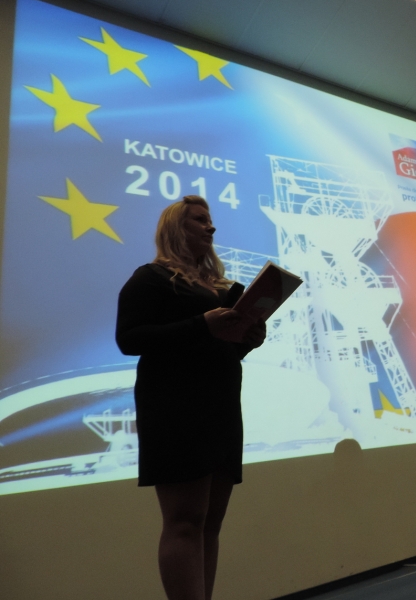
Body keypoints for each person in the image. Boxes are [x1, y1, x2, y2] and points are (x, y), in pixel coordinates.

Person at [116, 196, 266, 600]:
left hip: (220, 405)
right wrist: (202, 324)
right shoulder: (152, 278)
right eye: (199, 220)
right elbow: (129, 339)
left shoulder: (223, 288)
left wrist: (248, 339)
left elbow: (221, 348)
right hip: (174, 407)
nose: (210, 227)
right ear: (175, 228)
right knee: (184, 522)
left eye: (210, 220)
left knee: (209, 525)